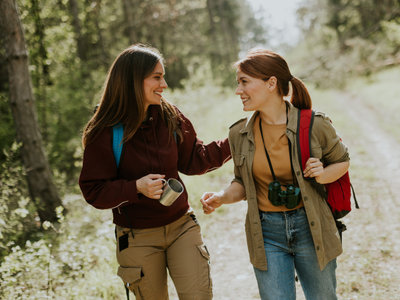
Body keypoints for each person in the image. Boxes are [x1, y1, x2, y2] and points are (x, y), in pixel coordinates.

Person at [79, 44, 230, 300]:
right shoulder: (105, 131)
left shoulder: (169, 115)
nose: (165, 85)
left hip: (182, 225)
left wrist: (235, 142)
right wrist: (135, 188)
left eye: (163, 76)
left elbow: (195, 159)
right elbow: (93, 190)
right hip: (137, 237)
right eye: (157, 77)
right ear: (133, 81)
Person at [200, 49, 350, 300]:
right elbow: (242, 182)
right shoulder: (240, 134)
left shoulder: (315, 124)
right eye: (238, 83)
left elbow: (342, 161)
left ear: (271, 83)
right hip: (266, 233)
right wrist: (221, 197)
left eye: (244, 82)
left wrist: (322, 174)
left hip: (311, 227)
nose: (238, 90)